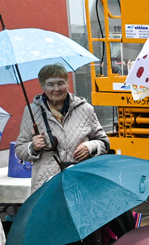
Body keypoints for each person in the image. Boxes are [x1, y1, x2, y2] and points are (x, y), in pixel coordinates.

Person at [15, 64, 110, 193]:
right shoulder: (31, 112)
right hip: (47, 185)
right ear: (42, 87)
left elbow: (104, 142)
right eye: (50, 84)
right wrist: (33, 147)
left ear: (68, 84)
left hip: (80, 180)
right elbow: (20, 150)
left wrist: (91, 146)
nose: (56, 89)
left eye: (61, 83)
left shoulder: (85, 109)